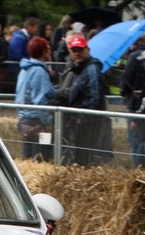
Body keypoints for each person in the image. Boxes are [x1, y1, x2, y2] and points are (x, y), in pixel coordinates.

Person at [57, 35, 112, 165]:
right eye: (74, 50)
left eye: (80, 50)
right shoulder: (76, 68)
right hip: (76, 119)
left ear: (87, 49)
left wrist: (83, 118)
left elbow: (94, 96)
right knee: (76, 154)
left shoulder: (92, 68)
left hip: (87, 122)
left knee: (84, 155)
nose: (77, 53)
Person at [14, 36, 57, 160]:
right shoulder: (39, 71)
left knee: (27, 158)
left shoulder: (24, 70)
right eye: (48, 49)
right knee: (42, 157)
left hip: (25, 123)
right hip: (38, 124)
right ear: (43, 52)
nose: (50, 51)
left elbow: (19, 96)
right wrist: (47, 124)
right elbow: (40, 101)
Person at [6, 17, 39, 85]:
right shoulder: (18, 38)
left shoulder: (29, 37)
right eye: (36, 27)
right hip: (16, 69)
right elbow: (17, 56)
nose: (37, 30)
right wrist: (32, 60)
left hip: (23, 68)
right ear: (30, 27)